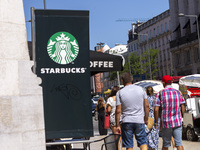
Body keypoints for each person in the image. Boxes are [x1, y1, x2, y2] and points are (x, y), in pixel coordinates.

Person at [115, 72, 149, 150]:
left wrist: (117, 125)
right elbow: (146, 106)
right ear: (132, 79)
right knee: (143, 143)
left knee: (129, 145)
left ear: (122, 80)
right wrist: (146, 119)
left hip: (127, 121)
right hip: (139, 120)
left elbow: (118, 111)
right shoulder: (141, 89)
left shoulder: (119, 93)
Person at [154, 75, 185, 150]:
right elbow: (183, 106)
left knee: (166, 144)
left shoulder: (160, 93)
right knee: (179, 144)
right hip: (177, 121)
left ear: (163, 83)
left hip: (166, 122)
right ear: (171, 82)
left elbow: (156, 109)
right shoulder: (178, 92)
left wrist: (156, 122)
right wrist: (182, 117)